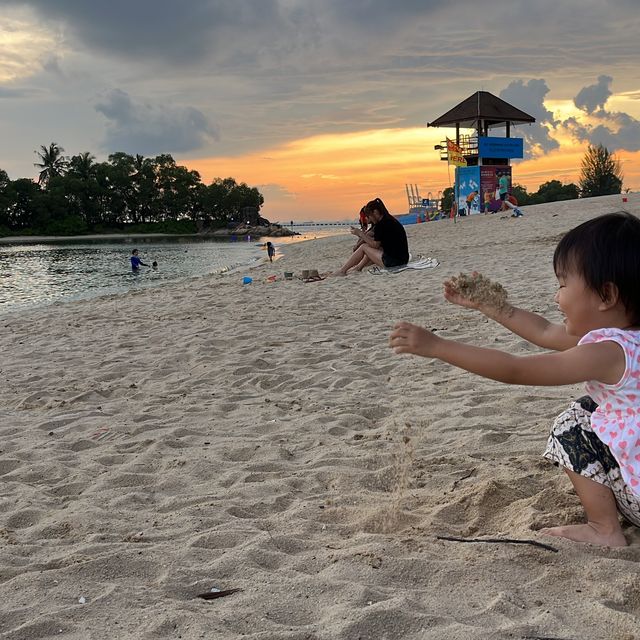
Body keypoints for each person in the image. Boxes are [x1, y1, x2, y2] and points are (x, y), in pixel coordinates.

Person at [390, 212, 640, 547]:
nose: (556, 297)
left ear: (606, 296)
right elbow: (544, 331)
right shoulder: (628, 341)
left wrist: (437, 346)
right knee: (591, 407)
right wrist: (491, 305)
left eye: (563, 284)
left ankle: (603, 528)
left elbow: (516, 368)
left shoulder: (607, 352)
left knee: (574, 421)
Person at [333, 197, 409, 276]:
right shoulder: (389, 220)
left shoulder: (381, 224)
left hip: (393, 262)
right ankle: (358, 268)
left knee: (364, 247)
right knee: (368, 246)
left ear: (375, 212)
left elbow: (375, 245)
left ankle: (343, 271)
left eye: (369, 216)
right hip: (403, 259)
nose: (369, 219)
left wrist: (360, 234)